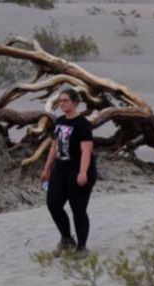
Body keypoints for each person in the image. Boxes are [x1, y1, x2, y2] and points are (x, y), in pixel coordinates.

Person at [40, 88, 98, 254]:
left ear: (74, 102)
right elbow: (54, 145)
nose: (62, 103)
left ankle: (81, 247)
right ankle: (66, 239)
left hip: (78, 170)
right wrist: (46, 169)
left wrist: (82, 172)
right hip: (60, 170)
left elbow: (86, 150)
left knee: (78, 209)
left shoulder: (82, 124)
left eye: (65, 100)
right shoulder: (59, 121)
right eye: (60, 101)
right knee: (53, 204)